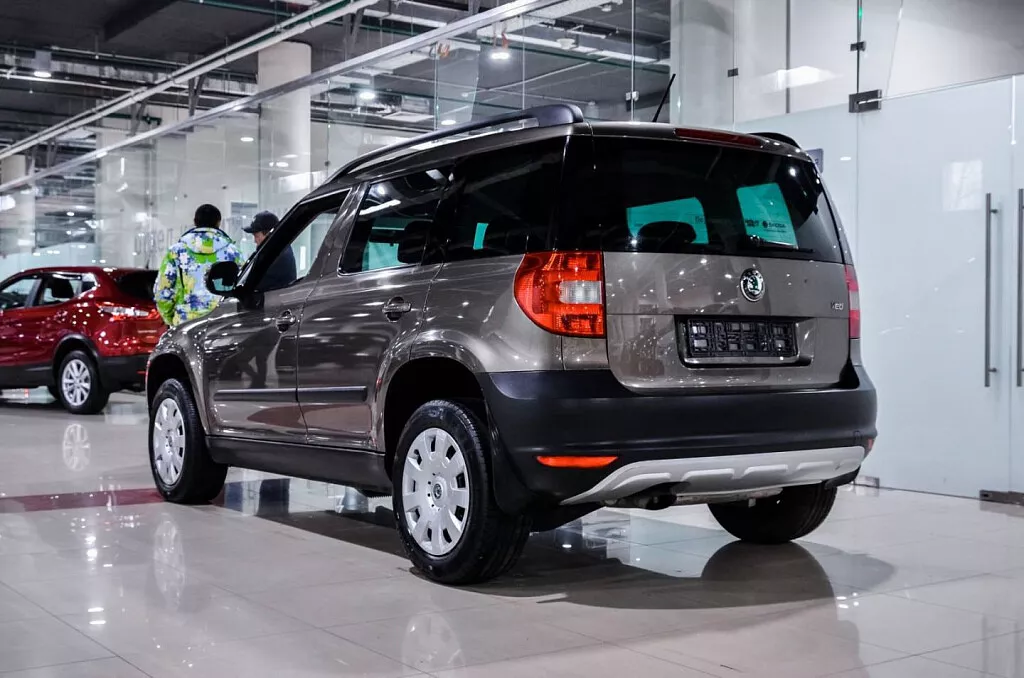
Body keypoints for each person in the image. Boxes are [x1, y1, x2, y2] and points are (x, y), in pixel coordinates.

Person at [153, 204, 245, 327]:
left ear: (195, 222)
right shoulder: (234, 253)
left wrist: (170, 319)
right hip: (223, 322)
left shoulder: (176, 252)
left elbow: (163, 291)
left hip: (186, 323)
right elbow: (243, 287)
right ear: (219, 222)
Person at [244, 211, 296, 291]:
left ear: (269, 234)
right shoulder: (274, 251)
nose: (255, 241)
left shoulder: (277, 256)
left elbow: (253, 287)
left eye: (257, 236)